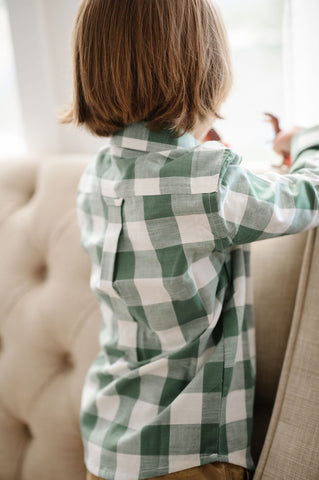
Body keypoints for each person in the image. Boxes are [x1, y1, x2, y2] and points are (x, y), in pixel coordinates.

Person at [62, 1, 319, 479]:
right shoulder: (206, 182)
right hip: (185, 454)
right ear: (206, 68)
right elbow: (308, 195)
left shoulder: (96, 176)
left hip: (107, 443)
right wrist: (306, 141)